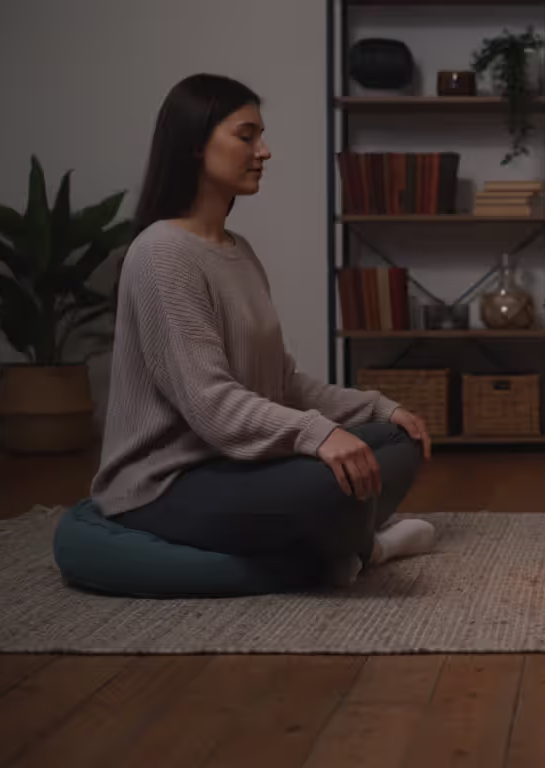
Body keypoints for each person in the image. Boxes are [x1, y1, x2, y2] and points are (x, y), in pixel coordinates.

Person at [91, 74, 435, 588]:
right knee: (334, 483)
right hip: (168, 485)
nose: (264, 151)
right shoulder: (162, 254)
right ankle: (365, 545)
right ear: (193, 145)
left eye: (261, 136)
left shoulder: (238, 251)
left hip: (237, 468)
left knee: (394, 441)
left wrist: (379, 408)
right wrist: (319, 435)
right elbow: (212, 404)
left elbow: (283, 383)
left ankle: (342, 541)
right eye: (246, 135)